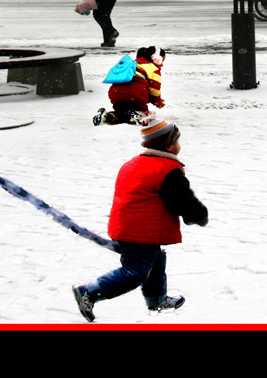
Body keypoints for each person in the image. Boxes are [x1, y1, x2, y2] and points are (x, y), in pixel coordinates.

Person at [72, 117, 209, 322]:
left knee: (154, 260)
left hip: (128, 225)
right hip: (141, 231)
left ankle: (157, 299)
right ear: (169, 145)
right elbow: (181, 201)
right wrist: (198, 215)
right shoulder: (167, 169)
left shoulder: (134, 163)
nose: (179, 145)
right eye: (177, 141)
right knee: (134, 273)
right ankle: (89, 292)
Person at [93, 46, 166, 126]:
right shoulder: (152, 68)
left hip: (115, 94)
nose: (162, 64)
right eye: (161, 60)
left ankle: (107, 116)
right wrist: (157, 101)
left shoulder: (131, 65)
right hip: (136, 94)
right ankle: (139, 114)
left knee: (121, 113)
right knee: (149, 115)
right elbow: (154, 89)